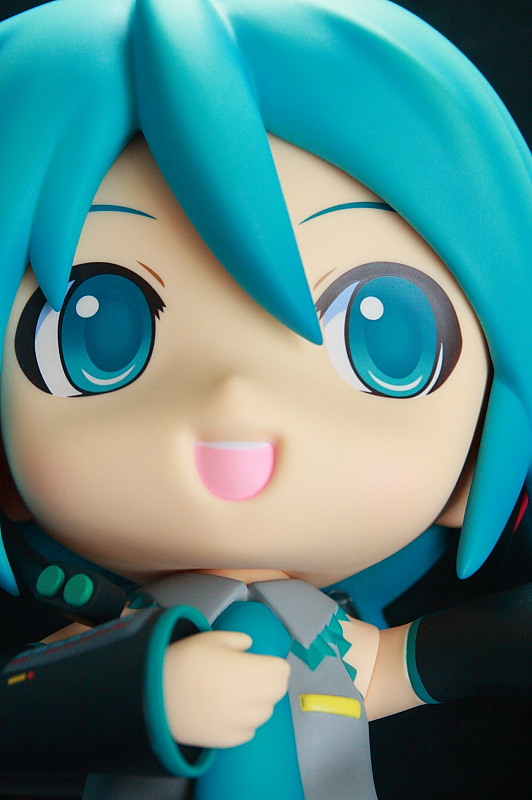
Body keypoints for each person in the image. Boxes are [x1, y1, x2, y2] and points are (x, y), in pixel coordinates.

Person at [0, 0, 530, 798]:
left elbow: (420, 663)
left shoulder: (332, 643)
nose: (236, 401)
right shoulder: (114, 640)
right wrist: (147, 691)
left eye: (387, 342)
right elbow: (25, 706)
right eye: (94, 334)